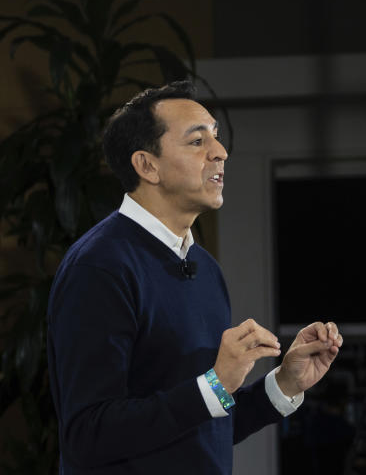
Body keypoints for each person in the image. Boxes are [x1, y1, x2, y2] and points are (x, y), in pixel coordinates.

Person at [47, 81, 344, 473]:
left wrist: (285, 383)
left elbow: (203, 425)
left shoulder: (206, 270)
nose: (220, 153)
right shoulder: (99, 267)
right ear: (147, 165)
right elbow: (88, 435)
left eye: (216, 139)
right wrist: (216, 383)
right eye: (196, 142)